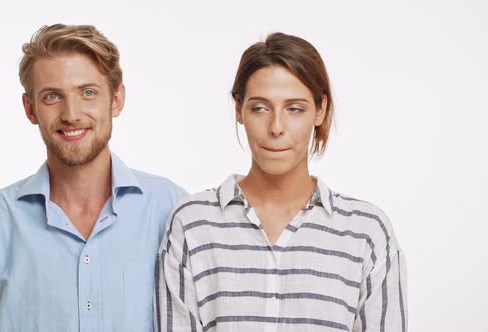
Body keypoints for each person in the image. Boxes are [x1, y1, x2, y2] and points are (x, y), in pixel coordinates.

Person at [156, 33, 407, 332]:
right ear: (239, 109)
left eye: (295, 109)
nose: (276, 127)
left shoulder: (366, 232)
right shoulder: (193, 223)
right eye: (260, 108)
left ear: (321, 109)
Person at [0, 24, 185, 332]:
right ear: (30, 109)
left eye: (88, 92)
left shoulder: (173, 213)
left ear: (116, 99)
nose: (71, 114)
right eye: (52, 97)